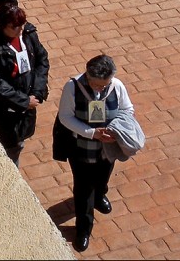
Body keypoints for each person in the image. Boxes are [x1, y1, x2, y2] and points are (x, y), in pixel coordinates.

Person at [57, 54, 136, 253]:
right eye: (97, 85)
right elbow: (65, 117)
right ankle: (83, 229)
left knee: (103, 177)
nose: (101, 89)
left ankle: (100, 195)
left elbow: (128, 109)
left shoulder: (116, 86)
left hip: (107, 148)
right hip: (81, 149)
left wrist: (115, 129)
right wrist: (92, 133)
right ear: (88, 76)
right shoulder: (72, 88)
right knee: (83, 190)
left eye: (104, 85)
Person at [0, 3, 49, 166]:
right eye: (14, 27)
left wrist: (37, 91)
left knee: (17, 145)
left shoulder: (28, 34)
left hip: (25, 107)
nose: (20, 29)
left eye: (22, 24)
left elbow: (41, 60)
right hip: (0, 111)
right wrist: (23, 101)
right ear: (1, 25)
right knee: (2, 147)